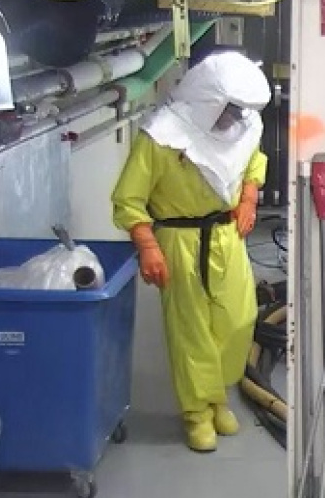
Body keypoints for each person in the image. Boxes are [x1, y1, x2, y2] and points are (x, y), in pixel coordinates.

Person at [111, 51, 271, 452]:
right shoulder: (161, 137)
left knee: (239, 316)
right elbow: (128, 198)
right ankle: (197, 412)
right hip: (179, 240)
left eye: (241, 110)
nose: (236, 118)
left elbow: (253, 158)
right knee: (190, 329)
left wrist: (249, 195)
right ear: (207, 100)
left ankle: (217, 393)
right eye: (230, 109)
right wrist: (147, 245)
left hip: (225, 234)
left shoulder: (244, 127)